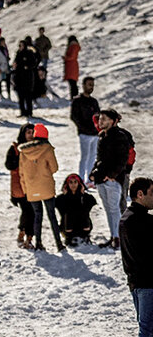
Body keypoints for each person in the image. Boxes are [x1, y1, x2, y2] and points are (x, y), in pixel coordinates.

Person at [119, 177, 153, 337]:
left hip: (138, 283)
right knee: (147, 331)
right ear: (140, 194)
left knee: (147, 330)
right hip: (147, 283)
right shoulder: (139, 221)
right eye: (152, 193)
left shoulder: (127, 218)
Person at [90, 109, 132, 250]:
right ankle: (114, 236)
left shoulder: (121, 136)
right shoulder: (102, 136)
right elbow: (99, 159)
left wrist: (112, 175)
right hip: (101, 179)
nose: (100, 121)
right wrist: (93, 173)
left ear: (113, 121)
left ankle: (120, 238)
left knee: (115, 209)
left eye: (104, 119)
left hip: (113, 180)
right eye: (100, 118)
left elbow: (123, 160)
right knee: (108, 209)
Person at [18, 123, 64, 251]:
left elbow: (21, 173)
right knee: (52, 215)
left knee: (37, 216)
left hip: (32, 189)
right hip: (46, 187)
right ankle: (59, 244)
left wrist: (25, 190)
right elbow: (54, 168)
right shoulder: (48, 149)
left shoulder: (23, 151)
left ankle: (38, 243)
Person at [6, 124, 37, 249]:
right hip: (19, 186)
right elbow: (9, 165)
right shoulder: (14, 148)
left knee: (33, 212)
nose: (30, 135)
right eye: (28, 132)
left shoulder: (37, 148)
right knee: (28, 210)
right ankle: (24, 234)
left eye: (32, 132)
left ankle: (27, 236)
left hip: (34, 185)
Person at [70, 77, 100, 184]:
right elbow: (74, 117)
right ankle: (81, 179)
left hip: (95, 134)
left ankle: (90, 180)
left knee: (93, 157)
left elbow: (98, 116)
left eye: (92, 85)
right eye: (89, 84)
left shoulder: (94, 101)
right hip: (84, 134)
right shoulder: (77, 101)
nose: (91, 87)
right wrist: (83, 128)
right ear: (83, 85)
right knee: (85, 157)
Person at [54, 174, 96, 246]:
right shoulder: (61, 198)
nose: (73, 185)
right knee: (69, 212)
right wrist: (67, 197)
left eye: (75, 182)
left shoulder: (86, 197)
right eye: (71, 182)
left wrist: (83, 195)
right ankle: (68, 238)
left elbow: (87, 209)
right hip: (68, 229)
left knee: (82, 211)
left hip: (83, 228)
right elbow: (63, 211)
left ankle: (86, 236)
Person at [13, 39, 39, 117]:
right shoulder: (18, 53)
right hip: (19, 78)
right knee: (21, 97)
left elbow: (34, 63)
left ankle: (29, 112)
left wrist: (27, 66)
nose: (20, 47)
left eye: (21, 45)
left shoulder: (29, 53)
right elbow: (15, 63)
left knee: (28, 97)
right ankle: (22, 112)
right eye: (19, 45)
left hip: (27, 78)